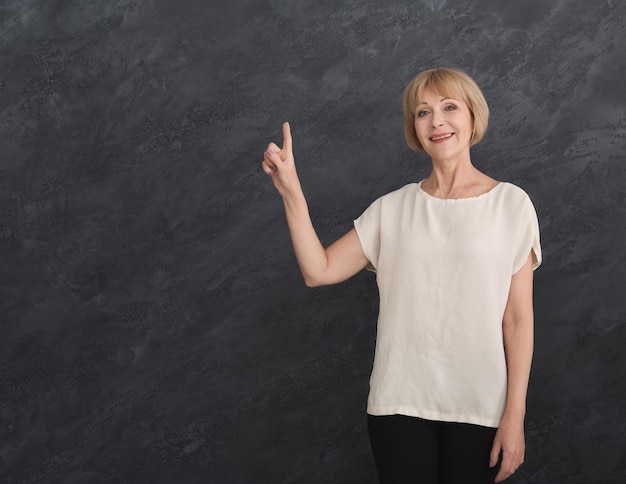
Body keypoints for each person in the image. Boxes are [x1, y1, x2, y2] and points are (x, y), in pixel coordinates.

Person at [261, 67, 541, 484]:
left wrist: (514, 415)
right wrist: (291, 192)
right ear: (415, 127)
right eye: (423, 112)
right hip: (398, 407)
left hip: (480, 408)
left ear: (472, 117)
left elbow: (517, 320)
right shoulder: (391, 209)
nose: (437, 121)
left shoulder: (511, 205)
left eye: (449, 107)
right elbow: (318, 271)